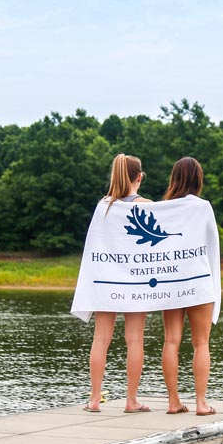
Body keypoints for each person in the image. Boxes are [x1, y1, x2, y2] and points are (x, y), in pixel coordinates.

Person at [84, 153, 152, 413]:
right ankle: (131, 400)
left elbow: (95, 246)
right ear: (139, 177)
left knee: (100, 339)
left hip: (106, 281)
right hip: (135, 283)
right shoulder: (147, 205)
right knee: (134, 339)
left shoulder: (103, 205)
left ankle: (94, 399)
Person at [161, 157, 218, 416]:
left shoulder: (163, 208)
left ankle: (174, 402)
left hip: (170, 281)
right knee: (201, 343)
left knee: (171, 341)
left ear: (175, 178)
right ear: (198, 178)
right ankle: (201, 403)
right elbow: (211, 246)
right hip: (198, 280)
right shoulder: (203, 207)